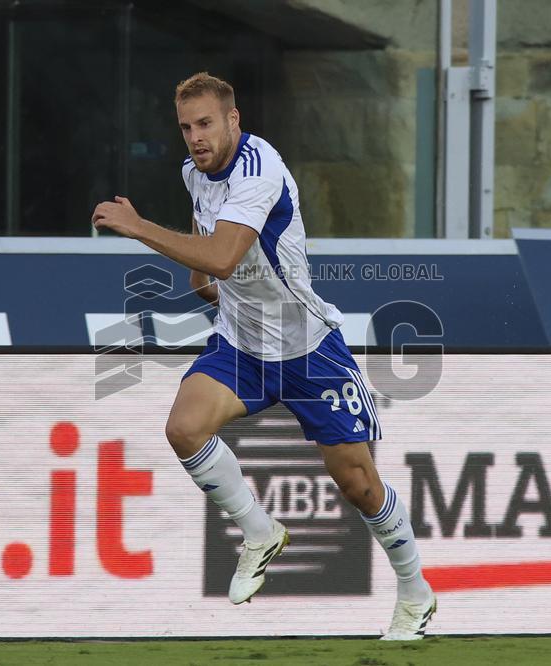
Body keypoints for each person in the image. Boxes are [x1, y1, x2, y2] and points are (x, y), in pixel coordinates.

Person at [92, 71, 435, 640]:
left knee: (358, 484)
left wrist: (138, 226)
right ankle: (258, 530)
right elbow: (211, 265)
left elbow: (226, 256)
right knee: (184, 427)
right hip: (241, 344)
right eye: (185, 127)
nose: (195, 137)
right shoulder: (193, 173)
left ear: (233, 120)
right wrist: (208, 285)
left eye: (205, 124)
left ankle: (415, 590)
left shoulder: (260, 169)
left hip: (306, 348)